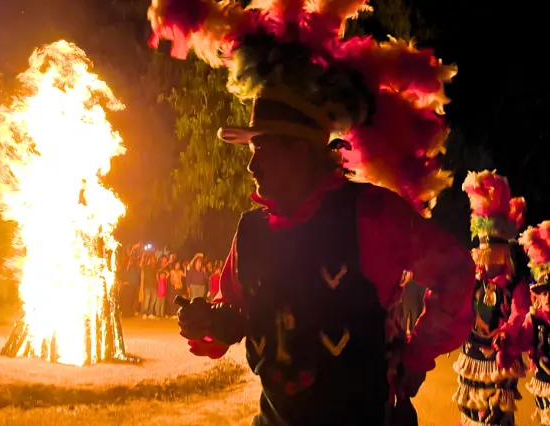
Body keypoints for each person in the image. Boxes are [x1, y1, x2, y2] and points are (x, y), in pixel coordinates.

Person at [148, 0, 474, 424]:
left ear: (301, 152)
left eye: (262, 149)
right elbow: (234, 312)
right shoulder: (251, 232)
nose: (252, 165)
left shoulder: (372, 215)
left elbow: (454, 274)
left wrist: (417, 357)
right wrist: (211, 323)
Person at [453, 171, 530, 426]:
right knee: (470, 410)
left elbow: (519, 313)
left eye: (491, 257)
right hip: (472, 355)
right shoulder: (471, 281)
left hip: (500, 358)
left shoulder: (514, 286)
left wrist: (507, 333)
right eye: (482, 256)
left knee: (495, 414)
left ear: (502, 256)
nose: (485, 264)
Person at [495, 221, 550, 426]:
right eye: (543, 293)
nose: (547, 298)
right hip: (545, 390)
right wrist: (505, 344)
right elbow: (521, 341)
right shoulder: (534, 321)